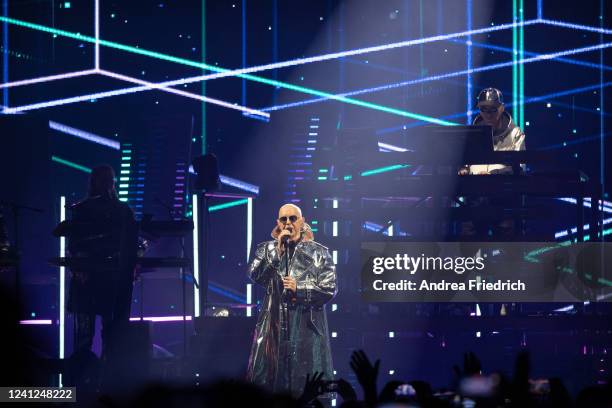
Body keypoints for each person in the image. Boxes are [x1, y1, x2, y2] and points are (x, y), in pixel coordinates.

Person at [246, 203, 337, 398]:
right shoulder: (267, 250)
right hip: (274, 324)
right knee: (272, 385)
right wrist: (277, 254)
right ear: (278, 223)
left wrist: (300, 289)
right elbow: (255, 275)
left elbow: (329, 289)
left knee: (305, 383)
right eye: (283, 219)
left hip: (306, 325)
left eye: (293, 219)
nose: (288, 223)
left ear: (302, 222)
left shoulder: (319, 253)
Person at [67, 165, 138, 360]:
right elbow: (75, 244)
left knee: (97, 335)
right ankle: (98, 378)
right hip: (100, 277)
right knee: (105, 335)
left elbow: (74, 245)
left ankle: (89, 379)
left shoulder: (117, 210)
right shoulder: (118, 210)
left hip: (99, 278)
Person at [460, 87, 526, 175]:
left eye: (493, 109)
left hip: (502, 186)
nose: (488, 114)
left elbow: (520, 167)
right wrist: (463, 170)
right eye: (484, 109)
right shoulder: (472, 134)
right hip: (474, 185)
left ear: (502, 108)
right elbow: (465, 164)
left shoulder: (515, 133)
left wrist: (493, 174)